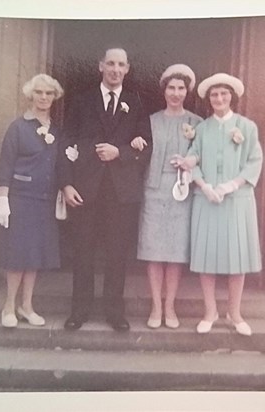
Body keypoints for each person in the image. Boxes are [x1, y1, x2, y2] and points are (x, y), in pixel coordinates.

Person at [61, 47, 152, 331]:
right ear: (101, 66)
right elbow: (66, 143)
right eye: (110, 63)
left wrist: (120, 152)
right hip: (85, 189)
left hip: (120, 192)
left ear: (127, 69)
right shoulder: (82, 101)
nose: (115, 69)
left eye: (121, 64)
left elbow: (146, 145)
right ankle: (80, 310)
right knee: (83, 251)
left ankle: (114, 311)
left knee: (117, 253)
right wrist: (65, 184)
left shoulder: (136, 103)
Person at [187, 73, 263, 336]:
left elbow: (254, 161)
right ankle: (210, 311)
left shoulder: (247, 127)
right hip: (207, 200)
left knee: (236, 257)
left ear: (232, 97)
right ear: (209, 99)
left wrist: (230, 185)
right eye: (214, 95)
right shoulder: (202, 129)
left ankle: (235, 312)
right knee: (207, 257)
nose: (219, 99)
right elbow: (191, 160)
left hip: (236, 201)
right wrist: (205, 186)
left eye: (224, 94)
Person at [130, 64, 202, 329]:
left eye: (181, 88)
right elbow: (138, 151)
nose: (175, 93)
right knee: (154, 251)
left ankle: (170, 306)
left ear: (187, 91)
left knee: (174, 253)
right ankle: (155, 307)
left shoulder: (196, 123)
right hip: (155, 190)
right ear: (164, 91)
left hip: (182, 192)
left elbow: (202, 156)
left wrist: (190, 163)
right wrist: (136, 143)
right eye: (171, 88)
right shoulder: (150, 121)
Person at [0, 73, 64, 328]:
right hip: (20, 199)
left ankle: (27, 306)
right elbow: (5, 165)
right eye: (39, 93)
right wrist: (3, 199)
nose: (44, 98)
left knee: (34, 256)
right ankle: (9, 306)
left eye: (48, 94)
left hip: (43, 201)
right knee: (17, 255)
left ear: (54, 98)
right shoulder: (18, 127)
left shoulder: (56, 130)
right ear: (31, 95)